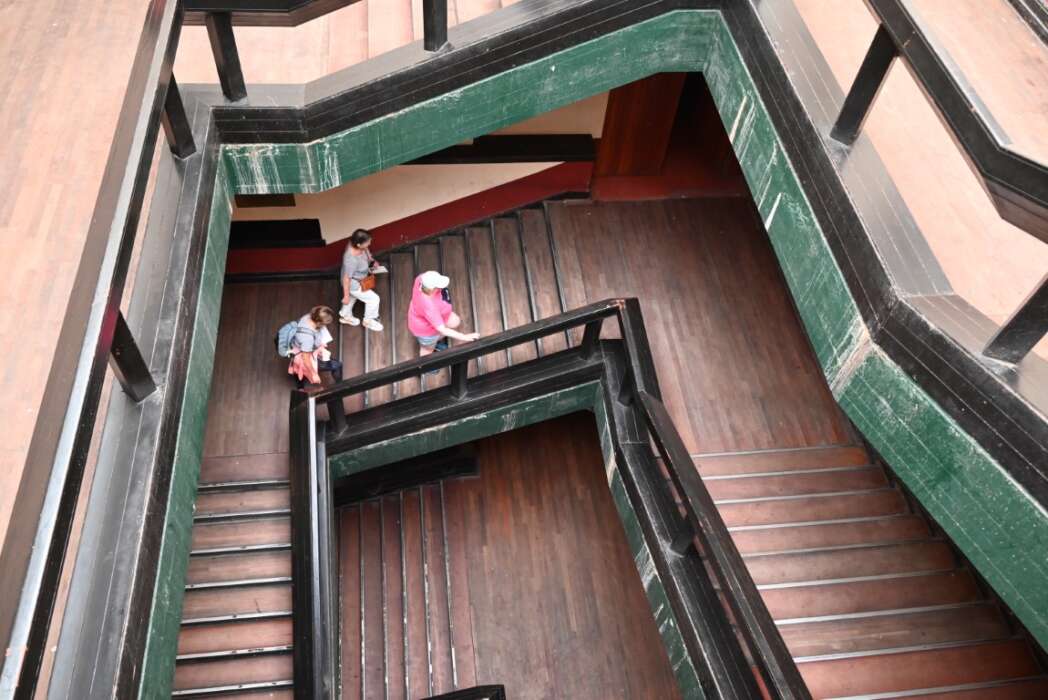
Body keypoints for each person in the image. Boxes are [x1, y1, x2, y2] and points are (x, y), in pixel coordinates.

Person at [407, 270, 480, 356]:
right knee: (427, 350)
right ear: (432, 289)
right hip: (426, 332)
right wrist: (464, 337)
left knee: (455, 321)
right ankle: (426, 359)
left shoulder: (421, 279)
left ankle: (436, 340)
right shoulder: (429, 306)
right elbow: (443, 330)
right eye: (439, 286)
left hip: (438, 318)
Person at [340, 228, 383, 331]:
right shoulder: (350, 259)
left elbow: (366, 252)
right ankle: (368, 321)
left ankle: (345, 316)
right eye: (367, 242)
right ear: (359, 245)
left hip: (358, 278)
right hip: (353, 284)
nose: (369, 243)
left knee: (353, 297)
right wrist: (345, 296)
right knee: (374, 299)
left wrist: (372, 261)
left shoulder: (355, 243)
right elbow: (346, 279)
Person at [289, 305, 343, 388]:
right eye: (324, 324)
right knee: (337, 365)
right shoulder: (307, 339)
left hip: (295, 349)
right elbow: (306, 358)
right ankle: (340, 385)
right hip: (305, 355)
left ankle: (300, 387)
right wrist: (313, 374)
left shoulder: (307, 317)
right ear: (318, 323)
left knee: (299, 369)